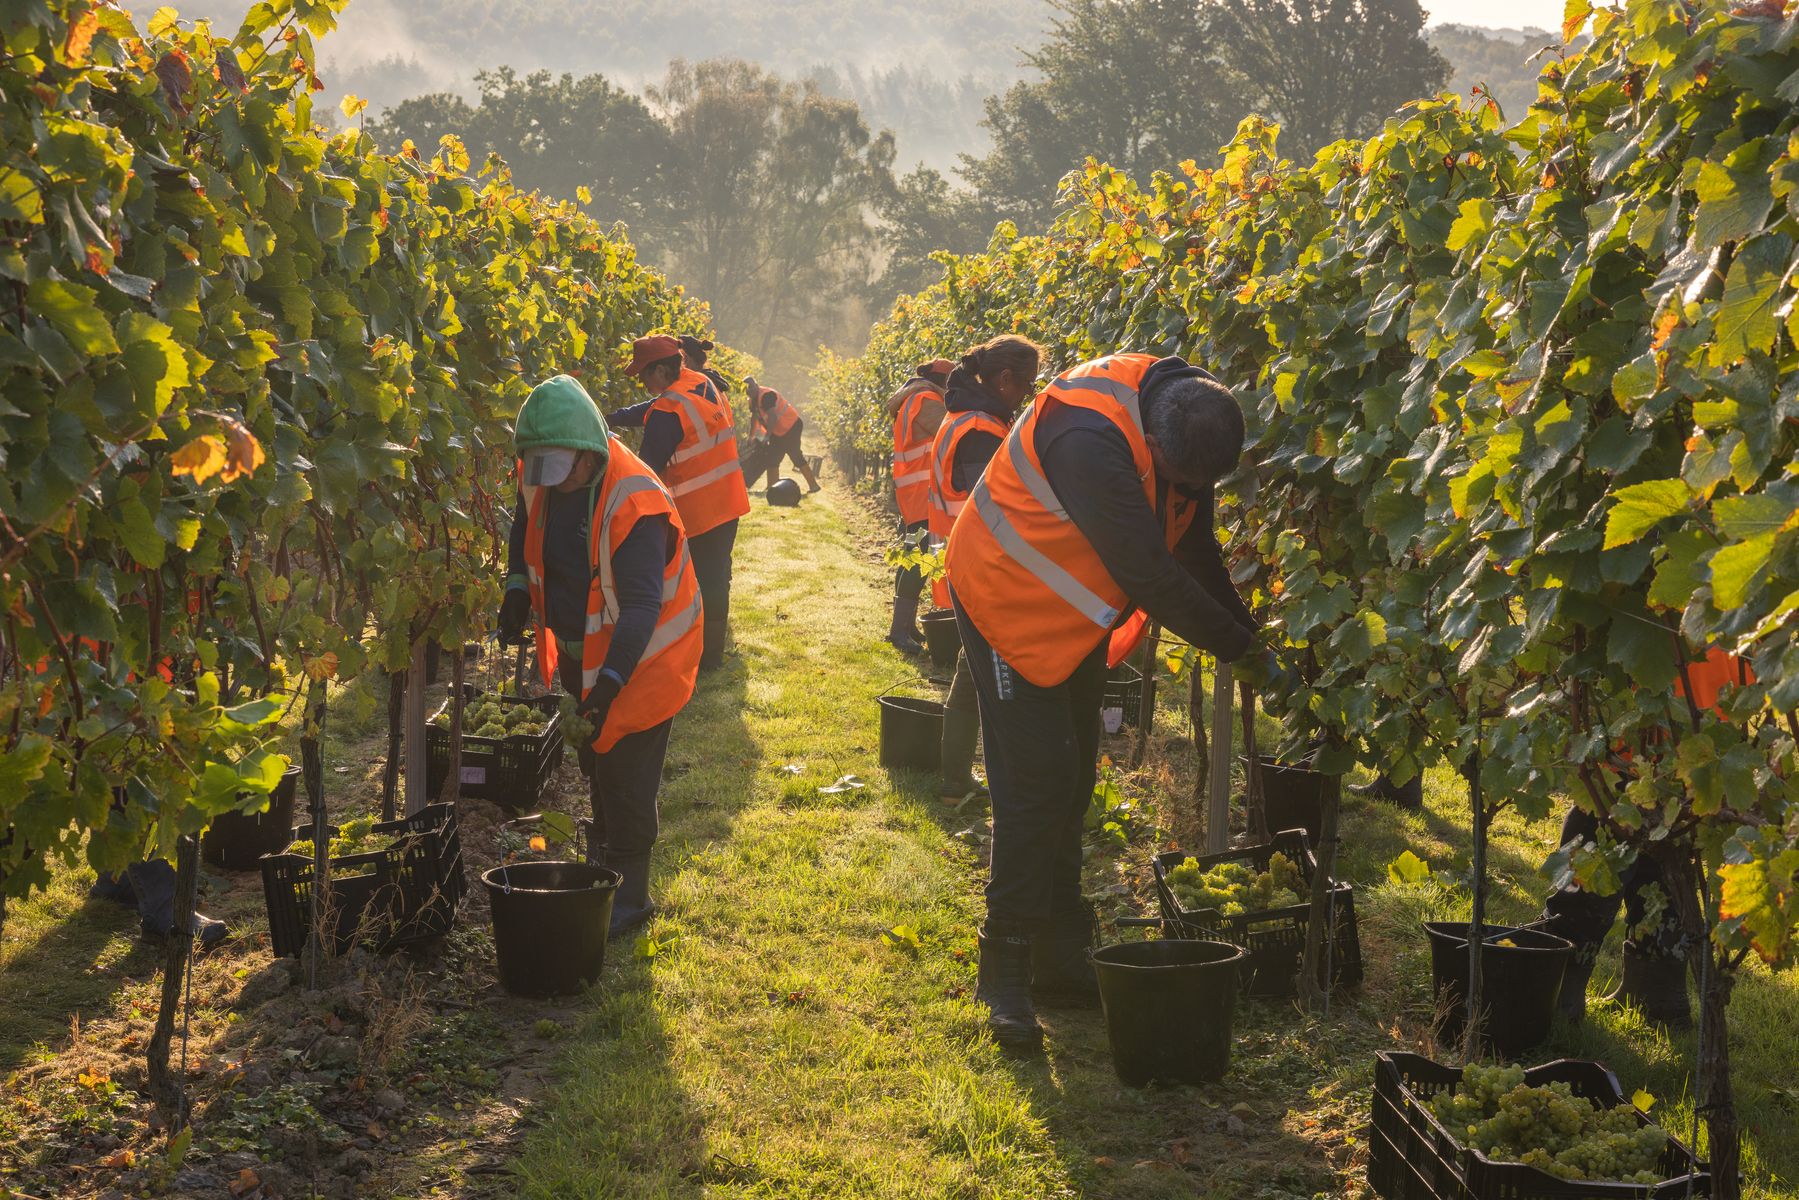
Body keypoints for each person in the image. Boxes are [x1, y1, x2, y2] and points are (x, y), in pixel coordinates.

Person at [945, 352, 1260, 1054]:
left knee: (1075, 776)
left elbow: (1192, 544)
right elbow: (1149, 572)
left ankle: (1058, 955)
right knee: (1036, 786)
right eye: (1180, 479)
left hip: (1065, 613)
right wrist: (1239, 649)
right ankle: (1003, 968)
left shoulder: (1186, 411)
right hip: (1004, 593)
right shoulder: (1089, 438)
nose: (1188, 490)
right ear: (1150, 446)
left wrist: (1247, 632)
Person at [498, 374, 703, 936]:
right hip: (586, 659)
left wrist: (608, 687)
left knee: (628, 773)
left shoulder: (636, 503)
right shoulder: (548, 469)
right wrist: (517, 587)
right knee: (598, 762)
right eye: (543, 470)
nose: (552, 483)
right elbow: (525, 522)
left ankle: (632, 901)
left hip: (646, 660)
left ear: (589, 452)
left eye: (562, 471)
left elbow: (640, 609)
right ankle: (605, 869)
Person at [1538, 647, 1751, 1030]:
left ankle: (1556, 997)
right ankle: (1657, 999)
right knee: (1667, 851)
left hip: (1646, 732)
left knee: (1596, 848)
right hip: (1703, 739)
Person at [927, 336, 1042, 802]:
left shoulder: (968, 417)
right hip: (985, 569)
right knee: (987, 678)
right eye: (1027, 386)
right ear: (1004, 378)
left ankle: (955, 778)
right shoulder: (980, 429)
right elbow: (995, 506)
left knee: (970, 671)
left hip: (968, 564)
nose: (1028, 396)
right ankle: (964, 782)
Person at [607, 335, 752, 672]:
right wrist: (613, 417)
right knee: (717, 579)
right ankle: (710, 653)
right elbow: (651, 410)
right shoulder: (698, 382)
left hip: (699, 513)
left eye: (643, 373)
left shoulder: (668, 411)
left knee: (695, 583)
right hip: (728, 500)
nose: (641, 381)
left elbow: (646, 473)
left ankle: (702, 656)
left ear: (660, 370)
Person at [886, 359, 953, 654]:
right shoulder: (926, 400)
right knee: (921, 559)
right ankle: (899, 631)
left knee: (912, 555)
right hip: (925, 493)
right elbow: (949, 431)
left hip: (915, 493)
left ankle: (904, 626)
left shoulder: (911, 398)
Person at [745, 376, 821, 493]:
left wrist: (767, 436)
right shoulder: (753, 399)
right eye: (748, 392)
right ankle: (772, 489)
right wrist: (751, 436)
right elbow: (754, 417)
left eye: (752, 390)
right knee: (772, 458)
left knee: (795, 455)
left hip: (791, 426)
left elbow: (773, 417)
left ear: (756, 388)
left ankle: (813, 486)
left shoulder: (766, 396)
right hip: (778, 430)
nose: (750, 394)